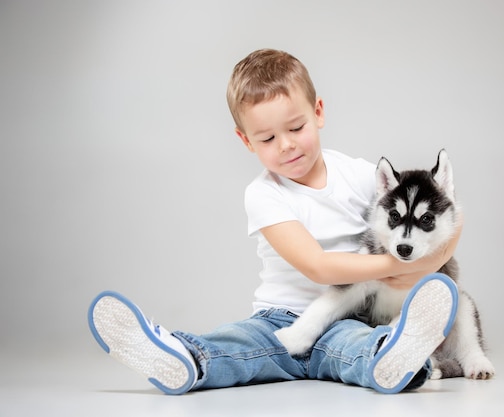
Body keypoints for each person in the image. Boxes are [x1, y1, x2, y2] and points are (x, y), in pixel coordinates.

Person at [87, 49, 463, 395]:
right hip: (277, 320)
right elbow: (318, 267)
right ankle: (182, 356)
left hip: (348, 315)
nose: (286, 145)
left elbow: (450, 215)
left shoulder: (361, 175)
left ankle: (397, 359)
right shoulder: (264, 194)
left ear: (318, 112)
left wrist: (428, 256)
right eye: (267, 138)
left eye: (296, 128)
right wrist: (402, 264)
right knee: (237, 344)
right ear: (246, 141)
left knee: (357, 347)